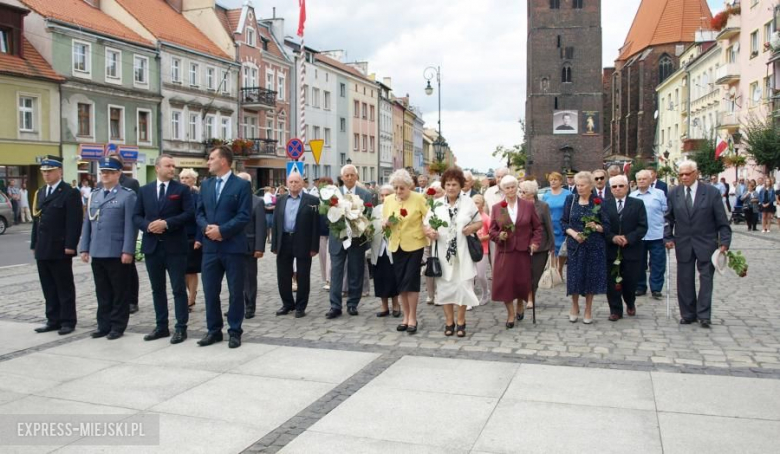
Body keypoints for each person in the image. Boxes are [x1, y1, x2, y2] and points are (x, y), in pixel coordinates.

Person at [133, 155, 194, 344]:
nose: (172, 169)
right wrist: (148, 225)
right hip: (152, 246)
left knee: (178, 289)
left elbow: (189, 214)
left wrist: (167, 223)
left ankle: (181, 327)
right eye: (168, 165)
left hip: (175, 246)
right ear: (157, 167)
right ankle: (161, 326)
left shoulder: (181, 190)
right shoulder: (145, 191)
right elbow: (136, 216)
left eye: (173, 166)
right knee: (157, 289)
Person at [196, 146, 252, 348]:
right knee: (210, 290)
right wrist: (206, 229)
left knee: (235, 291)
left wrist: (223, 230)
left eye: (211, 159)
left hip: (233, 247)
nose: (208, 162)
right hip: (210, 247)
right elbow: (199, 212)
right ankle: (213, 330)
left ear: (223, 161)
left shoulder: (241, 185)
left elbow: (244, 215)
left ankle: (235, 330)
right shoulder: (206, 184)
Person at [665, 160, 731, 328]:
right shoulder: (674, 193)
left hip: (706, 242)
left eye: (687, 174)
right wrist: (668, 237)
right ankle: (687, 314)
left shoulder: (711, 192)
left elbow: (722, 220)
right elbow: (668, 218)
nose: (684, 177)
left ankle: (704, 315)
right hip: (683, 242)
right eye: (681, 174)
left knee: (706, 279)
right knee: (684, 279)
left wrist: (724, 241)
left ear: (696, 173)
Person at [79, 156, 137, 340]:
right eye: (103, 172)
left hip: (116, 251)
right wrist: (84, 248)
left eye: (110, 172)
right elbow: (88, 222)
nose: (105, 175)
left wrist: (128, 250)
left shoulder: (127, 195)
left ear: (119, 173)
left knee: (119, 292)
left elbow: (130, 226)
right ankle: (103, 324)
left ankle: (117, 326)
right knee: (102, 291)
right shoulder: (95, 194)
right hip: (98, 250)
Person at [424, 168, 483, 337]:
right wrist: (430, 232)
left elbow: (479, 223)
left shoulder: (468, 202)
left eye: (454, 184)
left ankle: (461, 320)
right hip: (443, 253)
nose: (451, 188)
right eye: (448, 184)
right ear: (444, 186)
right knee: (445, 287)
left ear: (460, 186)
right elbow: (426, 225)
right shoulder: (436, 204)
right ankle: (449, 321)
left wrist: (470, 228)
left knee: (463, 286)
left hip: (463, 252)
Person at [30, 156, 82, 335]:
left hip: (60, 247)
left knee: (64, 286)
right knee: (48, 286)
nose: (46, 175)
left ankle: (68, 320)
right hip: (43, 246)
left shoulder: (69, 192)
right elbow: (37, 221)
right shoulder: (41, 192)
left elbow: (74, 222)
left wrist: (71, 245)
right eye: (43, 172)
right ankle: (53, 319)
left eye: (49, 171)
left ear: (59, 171)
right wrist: (33, 243)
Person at [490, 175, 541, 328]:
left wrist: (534, 243)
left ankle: (520, 303)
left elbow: (537, 227)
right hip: (505, 251)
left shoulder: (527, 206)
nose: (510, 190)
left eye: (513, 187)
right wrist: (500, 235)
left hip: (523, 250)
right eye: (507, 187)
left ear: (517, 188)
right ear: (502, 190)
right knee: (506, 283)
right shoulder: (498, 208)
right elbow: (492, 230)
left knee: (521, 282)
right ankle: (511, 314)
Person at [383, 168, 429, 334]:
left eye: (402, 188)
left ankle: (413, 318)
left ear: (409, 186)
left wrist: (428, 230)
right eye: (396, 188)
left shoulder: (418, 198)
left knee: (411, 281)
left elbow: (428, 218)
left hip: (414, 245)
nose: (398, 191)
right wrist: (385, 223)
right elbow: (384, 220)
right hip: (397, 245)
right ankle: (405, 316)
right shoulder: (388, 200)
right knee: (401, 282)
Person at [561, 171, 610, 324]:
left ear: (591, 186)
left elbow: (607, 226)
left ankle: (588, 309)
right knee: (574, 276)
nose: (580, 188)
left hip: (594, 245)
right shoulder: (571, 199)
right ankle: (574, 306)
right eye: (577, 185)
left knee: (591, 276)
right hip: (575, 245)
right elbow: (564, 222)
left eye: (583, 185)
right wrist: (574, 235)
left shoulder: (598, 202)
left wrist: (596, 227)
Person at [327, 165, 373, 319]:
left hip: (356, 239)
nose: (349, 178)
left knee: (356, 272)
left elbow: (369, 217)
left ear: (357, 177)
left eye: (352, 175)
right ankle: (335, 306)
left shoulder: (365, 195)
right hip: (337, 239)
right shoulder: (333, 194)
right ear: (342, 177)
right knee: (336, 273)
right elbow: (327, 216)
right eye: (346, 175)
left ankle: (353, 304)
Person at [272, 172, 320, 318]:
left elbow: (315, 225)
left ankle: (300, 306)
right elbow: (276, 223)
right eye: (291, 182)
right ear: (287, 184)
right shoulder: (280, 200)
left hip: (303, 240)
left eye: (296, 182)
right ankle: (287, 304)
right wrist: (275, 244)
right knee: (283, 274)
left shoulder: (312, 200)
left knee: (303, 274)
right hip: (284, 239)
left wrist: (314, 247)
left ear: (302, 184)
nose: (293, 184)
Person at [102, 154, 141, 314]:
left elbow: (135, 209)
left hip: (123, 233)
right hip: (108, 239)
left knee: (129, 270)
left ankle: (132, 299)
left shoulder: (131, 183)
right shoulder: (101, 184)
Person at [604, 175, 647, 321]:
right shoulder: (605, 205)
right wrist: (612, 237)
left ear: (627, 187)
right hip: (611, 249)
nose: (618, 189)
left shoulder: (637, 204)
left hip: (631, 249)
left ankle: (630, 301)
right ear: (611, 189)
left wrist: (629, 238)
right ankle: (615, 310)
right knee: (612, 282)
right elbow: (603, 227)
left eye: (621, 186)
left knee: (629, 281)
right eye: (614, 186)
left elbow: (642, 227)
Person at [631, 170, 668, 299]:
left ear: (650, 180)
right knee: (639, 262)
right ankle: (640, 286)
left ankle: (656, 288)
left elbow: (666, 212)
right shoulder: (633, 196)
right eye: (639, 179)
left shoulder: (659, 194)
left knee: (657, 263)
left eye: (644, 179)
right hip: (639, 236)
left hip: (656, 234)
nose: (641, 181)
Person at [519, 180, 554, 310]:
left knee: (535, 273)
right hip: (523, 244)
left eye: (524, 192)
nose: (521, 194)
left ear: (532, 193)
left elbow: (549, 225)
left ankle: (531, 297)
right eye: (521, 191)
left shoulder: (543, 206)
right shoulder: (518, 205)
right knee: (524, 273)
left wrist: (552, 244)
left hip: (541, 245)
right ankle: (524, 296)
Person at [236, 172, 266, 320]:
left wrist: (259, 247)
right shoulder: (232, 199)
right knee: (235, 277)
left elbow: (261, 226)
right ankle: (236, 305)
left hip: (249, 245)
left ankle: (250, 306)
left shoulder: (257, 202)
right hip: (232, 245)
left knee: (249, 277)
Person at [370, 184, 401, 317]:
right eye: (381, 195)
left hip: (391, 248)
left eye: (387, 195)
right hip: (378, 248)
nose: (384, 198)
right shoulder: (376, 209)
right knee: (380, 278)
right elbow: (372, 226)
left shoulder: (397, 208)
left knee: (392, 277)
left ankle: (396, 304)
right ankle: (384, 306)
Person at [179, 168, 202, 311]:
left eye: (187, 178)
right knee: (180, 269)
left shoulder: (198, 196)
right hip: (178, 236)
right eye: (182, 178)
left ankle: (191, 298)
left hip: (193, 236)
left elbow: (201, 218)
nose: (184, 180)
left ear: (194, 180)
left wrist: (200, 238)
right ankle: (186, 295)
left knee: (191, 269)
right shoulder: (176, 194)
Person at [542, 171, 572, 277]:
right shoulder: (546, 196)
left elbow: (571, 209)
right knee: (553, 248)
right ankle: (554, 270)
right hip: (550, 225)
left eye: (555, 179)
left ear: (560, 181)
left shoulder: (567, 194)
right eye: (551, 180)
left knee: (563, 248)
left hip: (563, 224)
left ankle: (559, 268)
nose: (553, 182)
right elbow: (543, 210)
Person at [472, 194, 491, 305]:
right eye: (473, 202)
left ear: (483, 205)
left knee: (480, 275)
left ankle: (485, 293)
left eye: (477, 202)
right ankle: (470, 296)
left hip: (482, 250)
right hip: (471, 249)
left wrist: (482, 238)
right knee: (470, 275)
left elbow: (492, 233)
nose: (475, 205)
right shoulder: (470, 217)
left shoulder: (486, 218)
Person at [316, 177, 333, 290]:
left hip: (332, 231)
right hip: (320, 232)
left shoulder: (333, 199)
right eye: (321, 185)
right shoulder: (316, 199)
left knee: (330, 257)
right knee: (322, 257)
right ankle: (325, 278)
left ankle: (330, 279)